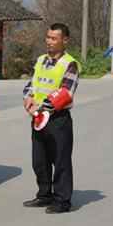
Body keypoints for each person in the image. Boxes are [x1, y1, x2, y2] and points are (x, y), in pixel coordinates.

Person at [23, 23, 80, 214]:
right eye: (48, 37)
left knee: (60, 160)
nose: (49, 41)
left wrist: (43, 106)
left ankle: (62, 201)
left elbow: (66, 92)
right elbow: (31, 84)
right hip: (38, 118)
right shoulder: (40, 60)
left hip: (58, 119)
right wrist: (28, 98)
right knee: (40, 160)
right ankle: (44, 194)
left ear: (65, 41)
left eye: (54, 38)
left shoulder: (69, 64)